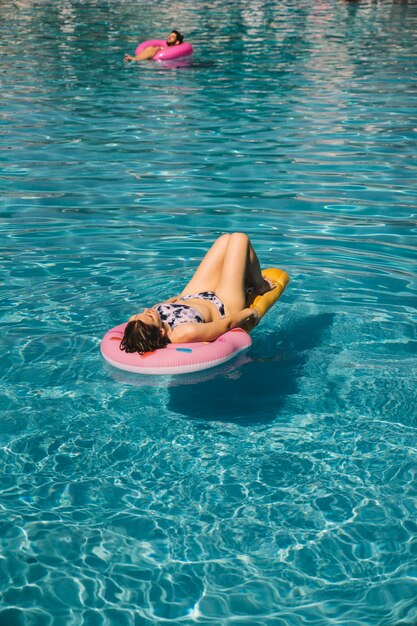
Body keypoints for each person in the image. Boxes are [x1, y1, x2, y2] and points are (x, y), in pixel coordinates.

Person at [120, 233, 275, 355]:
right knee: (239, 239)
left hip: (192, 295)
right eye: (150, 316)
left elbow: (170, 303)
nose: (147, 310)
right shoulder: (182, 333)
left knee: (225, 240)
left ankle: (243, 276)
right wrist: (250, 312)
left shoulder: (144, 323)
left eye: (138, 315)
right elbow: (225, 325)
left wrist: (170, 303)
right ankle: (260, 285)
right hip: (222, 304)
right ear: (161, 332)